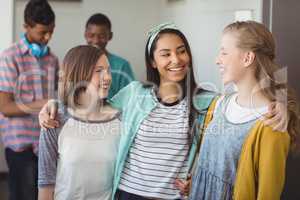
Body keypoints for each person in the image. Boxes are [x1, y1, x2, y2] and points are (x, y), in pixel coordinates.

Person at [39, 23, 289, 200]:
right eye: (165, 54)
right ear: (152, 61)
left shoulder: (207, 102)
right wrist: (55, 105)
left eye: (181, 51)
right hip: (127, 194)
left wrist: (280, 104)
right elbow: (90, 104)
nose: (176, 59)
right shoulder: (134, 93)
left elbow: (244, 104)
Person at [189, 21, 300, 200]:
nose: (217, 59)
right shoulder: (221, 103)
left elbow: (267, 195)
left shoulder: (273, 124)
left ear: (247, 58)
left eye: (224, 52)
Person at [38, 45, 121, 200]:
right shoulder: (54, 119)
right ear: (78, 74)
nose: (108, 77)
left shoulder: (120, 119)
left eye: (109, 70)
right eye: (99, 71)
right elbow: (46, 183)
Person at [0, 0, 58, 200]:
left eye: (51, 31)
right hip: (20, 145)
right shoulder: (9, 57)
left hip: (45, 144)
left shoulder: (52, 59)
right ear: (26, 27)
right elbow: (6, 107)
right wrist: (43, 103)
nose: (47, 37)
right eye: (42, 32)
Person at [84, 13, 135, 99]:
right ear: (85, 34)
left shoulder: (122, 66)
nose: (96, 41)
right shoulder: (76, 63)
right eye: (91, 35)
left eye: (102, 36)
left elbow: (130, 99)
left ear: (110, 36)